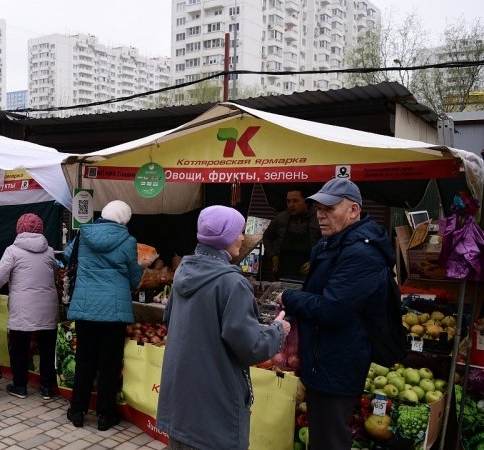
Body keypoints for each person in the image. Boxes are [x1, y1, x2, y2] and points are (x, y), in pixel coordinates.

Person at [157, 205, 290, 450]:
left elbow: (169, 321)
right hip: (214, 408)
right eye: (238, 232)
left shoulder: (183, 272)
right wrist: (278, 329)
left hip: (181, 403)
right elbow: (251, 347)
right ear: (225, 238)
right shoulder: (232, 283)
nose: (242, 237)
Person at [276, 178, 393, 449]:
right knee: (321, 436)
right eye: (318, 208)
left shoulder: (362, 254)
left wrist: (290, 297)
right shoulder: (330, 245)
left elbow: (332, 308)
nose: (320, 214)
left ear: (353, 210)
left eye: (329, 209)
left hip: (337, 363)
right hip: (321, 359)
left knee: (329, 440)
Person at [64, 200, 144, 431]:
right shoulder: (128, 241)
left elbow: (68, 256)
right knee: (109, 364)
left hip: (86, 308)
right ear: (124, 219)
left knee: (84, 361)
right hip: (114, 311)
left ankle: (77, 411)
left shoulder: (84, 234)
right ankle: (105, 416)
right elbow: (132, 278)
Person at [0, 213, 57, 400]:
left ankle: (20, 387)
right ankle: (47, 388)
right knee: (47, 348)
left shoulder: (12, 251)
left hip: (23, 307)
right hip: (48, 306)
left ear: (19, 229)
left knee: (19, 348)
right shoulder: (49, 251)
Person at [262, 185, 321, 280]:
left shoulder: (319, 218)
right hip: (283, 273)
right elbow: (267, 237)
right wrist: (273, 256)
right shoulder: (281, 218)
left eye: (295, 201)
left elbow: (329, 244)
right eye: (288, 201)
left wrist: (315, 261)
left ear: (306, 202)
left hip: (310, 275)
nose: (291, 205)